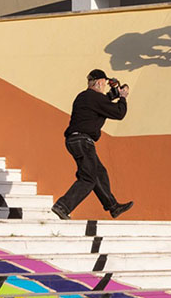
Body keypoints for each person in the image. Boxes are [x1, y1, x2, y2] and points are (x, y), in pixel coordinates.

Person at [51, 69, 134, 221]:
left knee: (99, 173)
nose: (104, 86)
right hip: (84, 141)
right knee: (88, 178)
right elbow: (118, 113)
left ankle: (113, 206)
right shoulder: (95, 98)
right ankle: (63, 206)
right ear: (99, 82)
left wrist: (115, 92)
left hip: (74, 140)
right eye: (103, 83)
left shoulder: (84, 97)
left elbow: (104, 102)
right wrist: (122, 97)